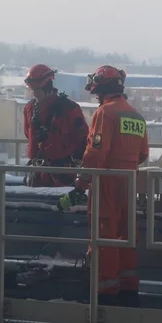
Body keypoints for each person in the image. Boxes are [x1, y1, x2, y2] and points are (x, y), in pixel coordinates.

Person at [57, 66, 148, 307]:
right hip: (129, 182)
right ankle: (129, 290)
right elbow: (143, 154)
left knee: (103, 236)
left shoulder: (105, 113)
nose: (96, 97)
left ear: (102, 89)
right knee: (126, 237)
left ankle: (106, 293)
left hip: (106, 181)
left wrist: (81, 184)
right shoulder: (135, 115)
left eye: (96, 92)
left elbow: (96, 153)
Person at [22, 64, 89, 187]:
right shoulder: (29, 109)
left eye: (37, 90)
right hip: (37, 173)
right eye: (33, 91)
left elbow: (82, 138)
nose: (35, 94)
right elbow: (28, 134)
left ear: (47, 86)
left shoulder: (69, 109)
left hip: (63, 173)